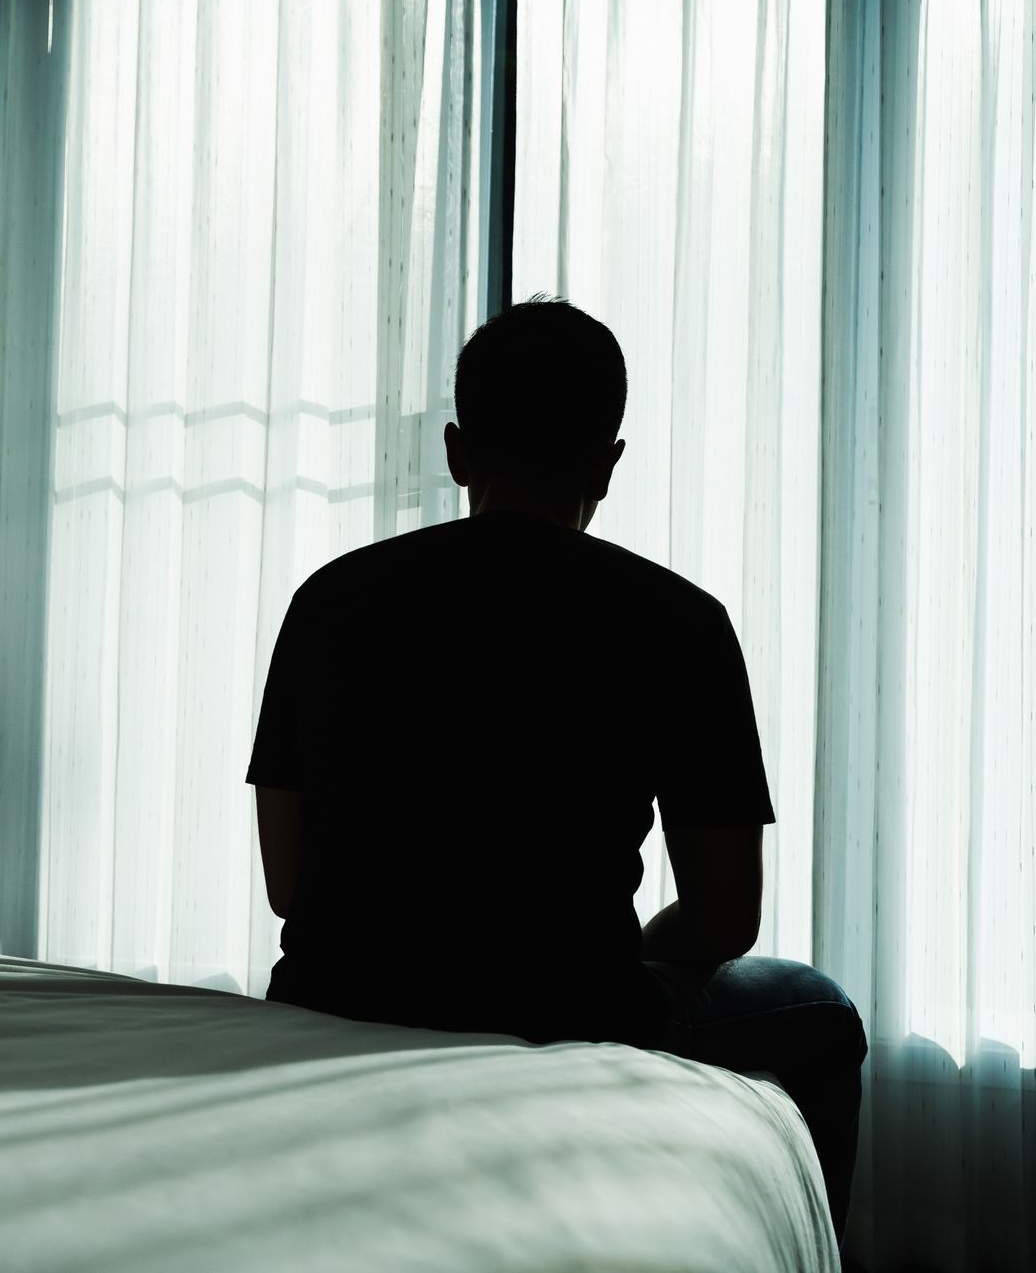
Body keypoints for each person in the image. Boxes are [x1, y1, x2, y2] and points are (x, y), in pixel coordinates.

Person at [245, 294, 867, 1240]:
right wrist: (629, 950)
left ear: (457, 452)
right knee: (822, 1013)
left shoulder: (328, 600)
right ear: (607, 464)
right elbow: (725, 917)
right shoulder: (679, 622)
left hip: (337, 1002)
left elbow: (290, 886)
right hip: (566, 1009)